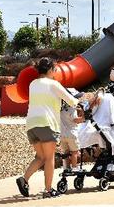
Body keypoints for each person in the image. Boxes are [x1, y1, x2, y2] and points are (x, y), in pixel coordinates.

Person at [16, 57, 79, 198]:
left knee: (40, 157)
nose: (56, 72)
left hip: (32, 125)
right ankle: (49, 190)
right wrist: (81, 102)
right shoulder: (53, 84)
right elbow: (71, 100)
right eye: (55, 69)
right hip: (47, 124)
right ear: (50, 69)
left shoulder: (33, 84)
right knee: (49, 158)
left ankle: (24, 179)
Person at [60, 88, 84, 171]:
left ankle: (66, 167)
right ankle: (74, 167)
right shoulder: (72, 109)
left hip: (62, 134)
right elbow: (75, 120)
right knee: (74, 152)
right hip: (71, 134)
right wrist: (83, 118)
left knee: (65, 152)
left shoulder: (62, 108)